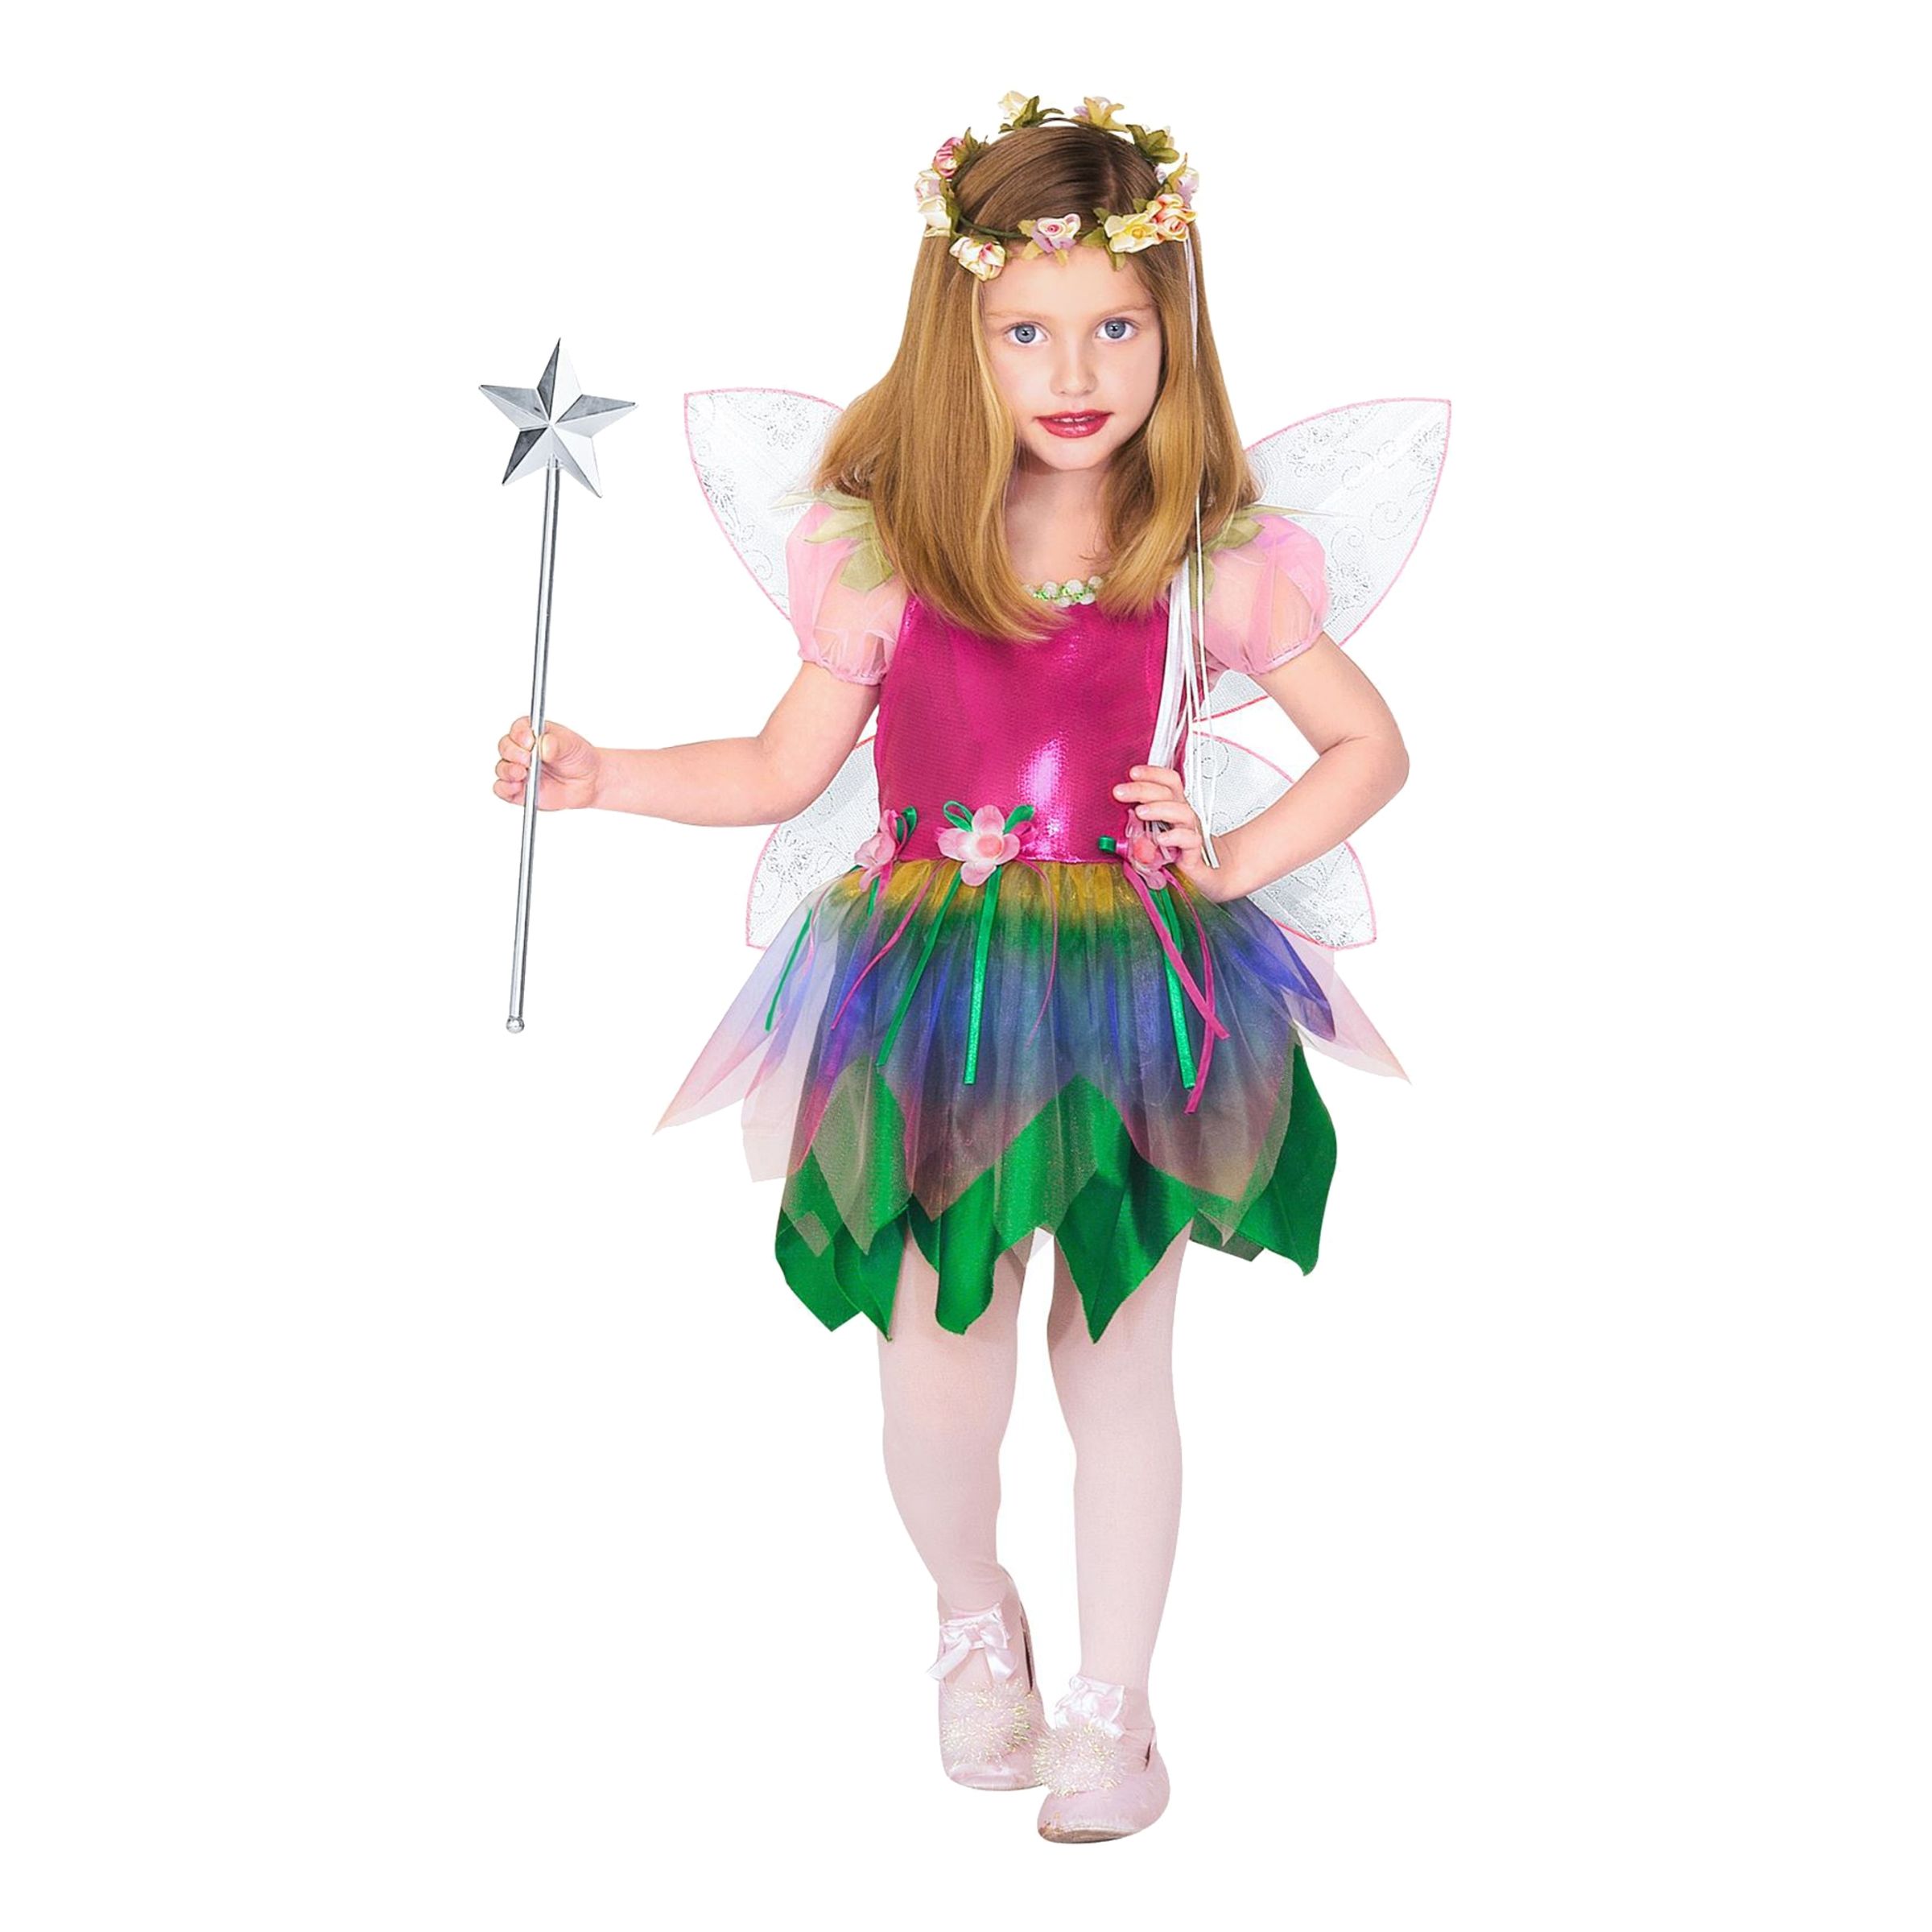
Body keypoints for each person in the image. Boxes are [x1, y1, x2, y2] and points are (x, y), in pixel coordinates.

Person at [490, 93, 1419, 1843]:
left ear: (1175, 323)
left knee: (1117, 1349)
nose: (1074, 370)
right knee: (938, 1346)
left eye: (1116, 327)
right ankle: (972, 1605)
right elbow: (780, 770)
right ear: (960, 332)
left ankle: (1114, 1710)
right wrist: (607, 777)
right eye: (1025, 331)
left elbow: (1368, 746)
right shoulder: (892, 549)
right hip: (936, 998)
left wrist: (1232, 857)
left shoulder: (1204, 561)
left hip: (1142, 987)